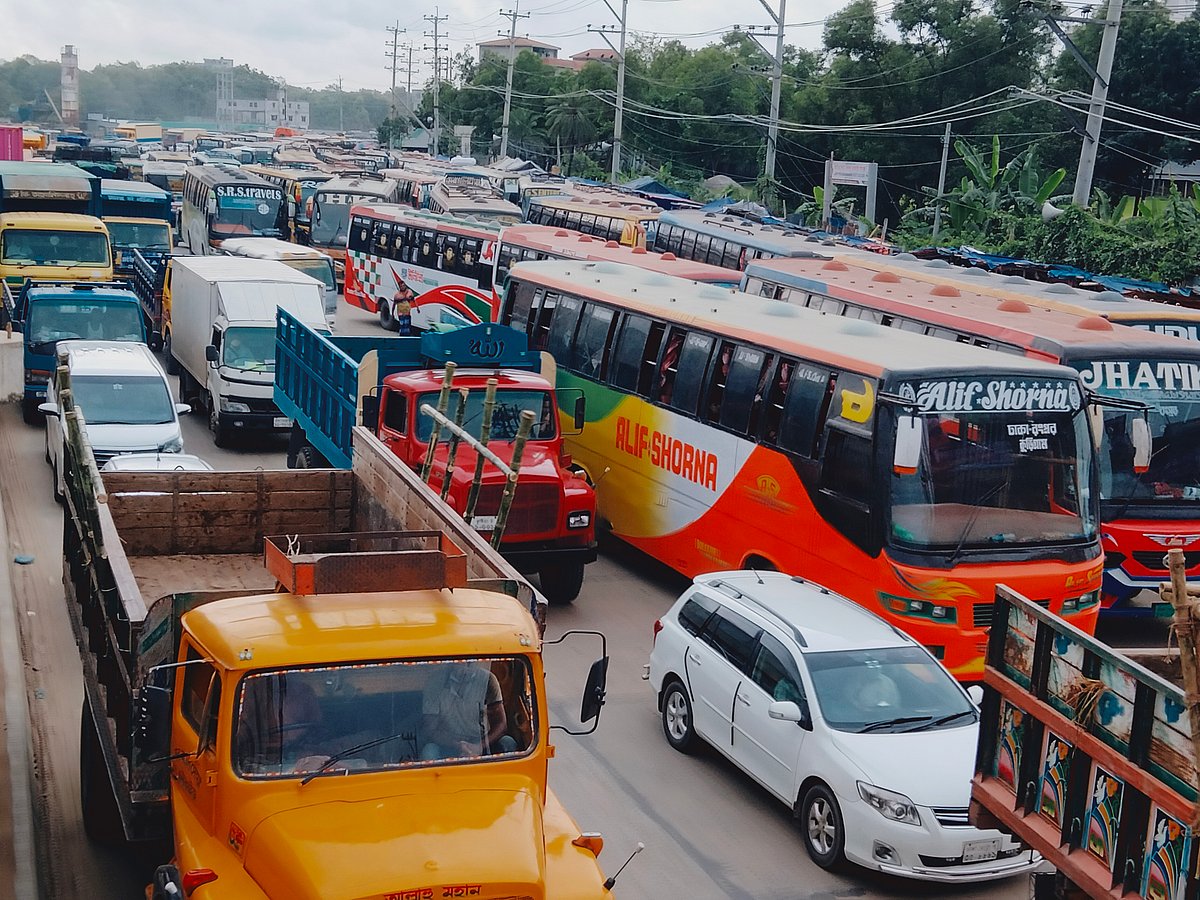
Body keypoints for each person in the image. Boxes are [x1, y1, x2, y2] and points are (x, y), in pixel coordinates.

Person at [420, 661, 518, 760]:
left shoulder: (487, 679)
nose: (466, 666)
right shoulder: (435, 682)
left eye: (469, 663)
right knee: (429, 752)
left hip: (482, 743)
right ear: (450, 663)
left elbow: (501, 723)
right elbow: (430, 729)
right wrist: (457, 745)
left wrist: (479, 746)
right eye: (459, 662)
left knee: (508, 742)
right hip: (448, 744)